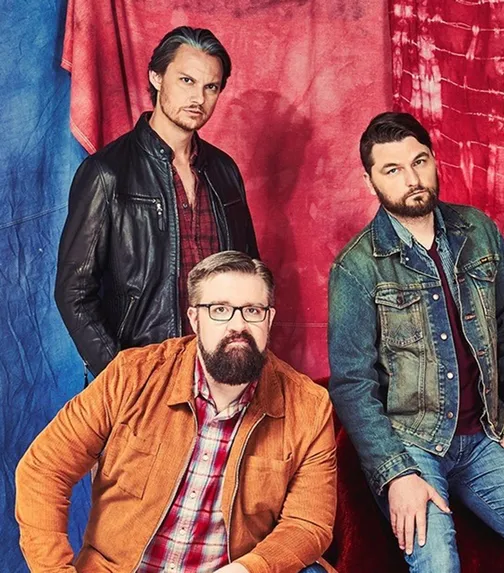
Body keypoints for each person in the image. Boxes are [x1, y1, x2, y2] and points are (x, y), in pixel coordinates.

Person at [328, 112, 504, 572]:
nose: (412, 179)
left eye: (419, 161)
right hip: (411, 444)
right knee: (438, 565)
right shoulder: (357, 267)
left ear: (433, 159)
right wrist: (395, 473)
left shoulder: (477, 231)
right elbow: (351, 385)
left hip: (484, 435)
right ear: (370, 182)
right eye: (393, 170)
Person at [18, 251, 336, 572]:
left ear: (268, 319)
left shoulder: (308, 406)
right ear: (195, 319)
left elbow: (309, 521)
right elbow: (43, 470)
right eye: (220, 310)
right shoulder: (132, 375)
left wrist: (250, 568)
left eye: (252, 310)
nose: (237, 325)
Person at [55, 26, 258, 376]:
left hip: (220, 371)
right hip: (144, 373)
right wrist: (121, 376)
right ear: (157, 76)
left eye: (211, 87)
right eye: (186, 81)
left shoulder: (224, 171)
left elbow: (250, 272)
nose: (198, 98)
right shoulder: (107, 172)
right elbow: (74, 292)